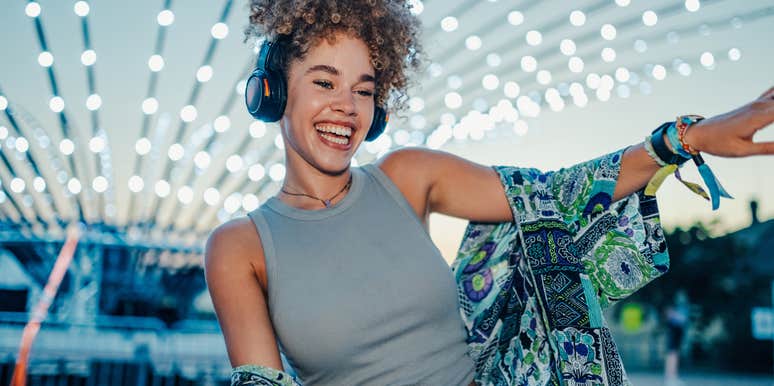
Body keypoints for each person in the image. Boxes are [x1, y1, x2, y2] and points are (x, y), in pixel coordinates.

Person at [203, 1, 774, 385]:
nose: (346, 108)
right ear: (273, 92)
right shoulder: (239, 247)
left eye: (364, 89)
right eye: (324, 82)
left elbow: (554, 198)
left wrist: (685, 138)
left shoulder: (406, 176)